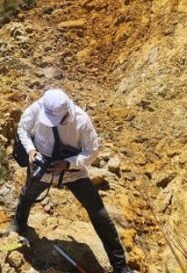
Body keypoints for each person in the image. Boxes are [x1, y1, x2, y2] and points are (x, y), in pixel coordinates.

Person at [12, 88, 132, 273]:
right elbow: (23, 128)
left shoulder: (81, 121)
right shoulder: (39, 107)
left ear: (66, 111)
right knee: (27, 195)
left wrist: (67, 164)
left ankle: (120, 266)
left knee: (99, 214)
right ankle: (19, 225)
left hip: (73, 171)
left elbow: (92, 151)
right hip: (43, 166)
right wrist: (30, 150)